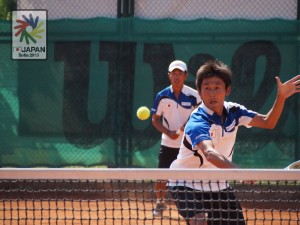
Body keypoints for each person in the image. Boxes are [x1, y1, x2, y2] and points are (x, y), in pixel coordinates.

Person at [168, 59, 300, 225]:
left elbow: (268, 122)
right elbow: (209, 153)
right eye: (207, 88)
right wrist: (239, 171)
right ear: (200, 93)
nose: (212, 93)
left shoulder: (235, 112)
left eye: (217, 88)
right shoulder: (197, 121)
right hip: (185, 182)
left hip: (218, 182)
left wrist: (281, 97)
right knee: (199, 221)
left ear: (227, 90)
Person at [150, 60, 201, 217]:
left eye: (180, 74)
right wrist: (168, 132)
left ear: (185, 76)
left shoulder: (194, 96)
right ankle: (160, 203)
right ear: (169, 76)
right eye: (174, 74)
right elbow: (155, 119)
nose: (176, 77)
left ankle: (198, 207)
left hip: (189, 145)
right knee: (161, 176)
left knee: (194, 177)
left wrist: (189, 125)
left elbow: (202, 113)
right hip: (168, 143)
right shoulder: (162, 96)